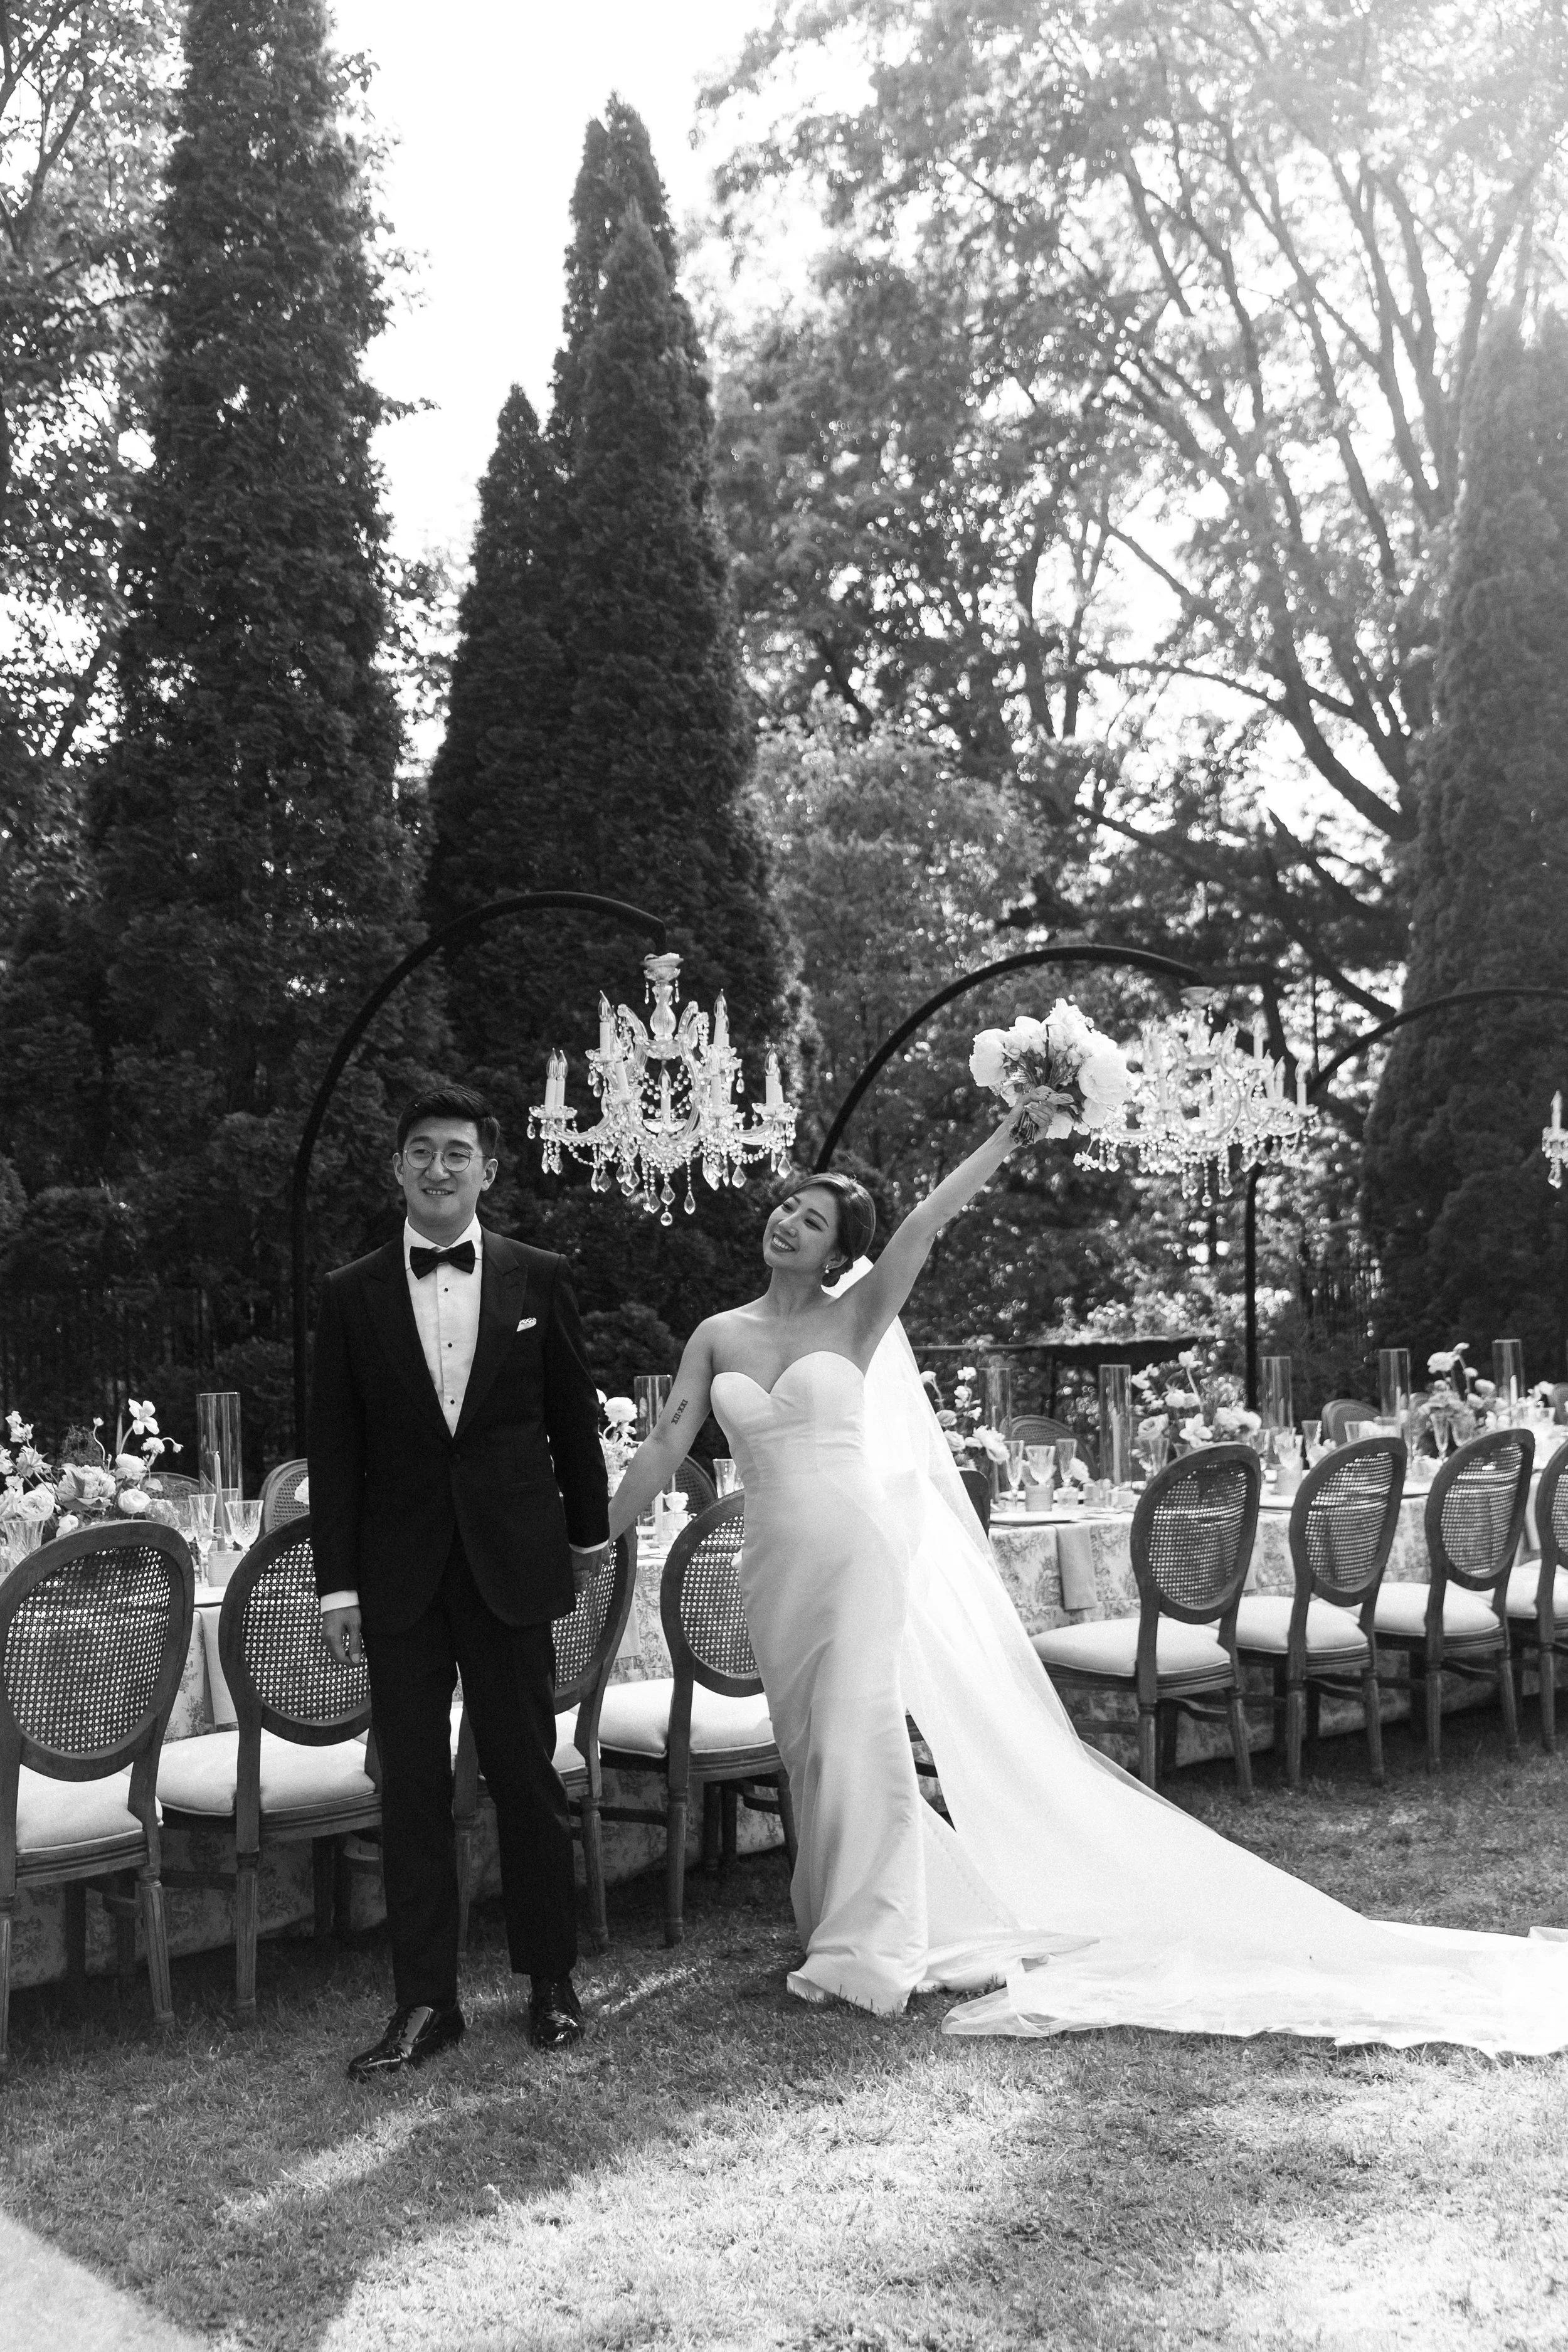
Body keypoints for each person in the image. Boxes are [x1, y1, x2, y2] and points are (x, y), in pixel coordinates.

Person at [608, 1116, 1568, 2050]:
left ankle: (869, 1946)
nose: (787, 1219)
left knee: (861, 1730)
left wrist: (1001, 1140)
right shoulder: (717, 1334)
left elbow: (924, 1224)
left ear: (834, 1253)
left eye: (811, 1219)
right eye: (786, 1206)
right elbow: (664, 1442)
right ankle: (837, 1910)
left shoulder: (856, 1316)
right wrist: (595, 1532)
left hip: (858, 1552)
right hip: (772, 1563)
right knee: (811, 1739)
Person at [309, 1083, 610, 2077]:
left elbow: (574, 1425)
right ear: (397, 1167)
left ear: (488, 1168)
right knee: (410, 1793)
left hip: (512, 1566)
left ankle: (550, 1981)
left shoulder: (541, 1275)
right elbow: (336, 1449)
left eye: (458, 1153)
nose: (439, 1167)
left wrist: (586, 1539)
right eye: (421, 1151)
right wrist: (337, 1588)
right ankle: (426, 2003)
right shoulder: (349, 1292)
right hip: (396, 1577)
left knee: (528, 1778)